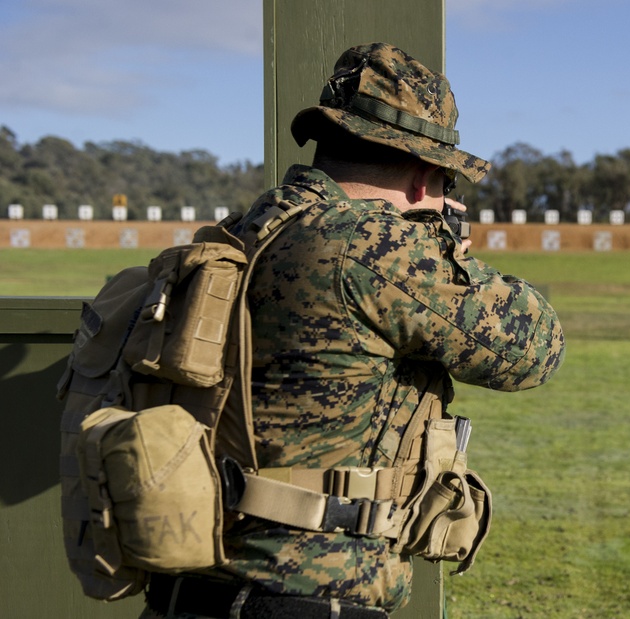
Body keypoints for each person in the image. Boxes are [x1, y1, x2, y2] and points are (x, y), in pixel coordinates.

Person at [140, 42, 564, 619]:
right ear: (423, 179)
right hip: (306, 596)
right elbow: (535, 348)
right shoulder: (374, 248)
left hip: (186, 587)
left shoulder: (246, 230)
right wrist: (447, 253)